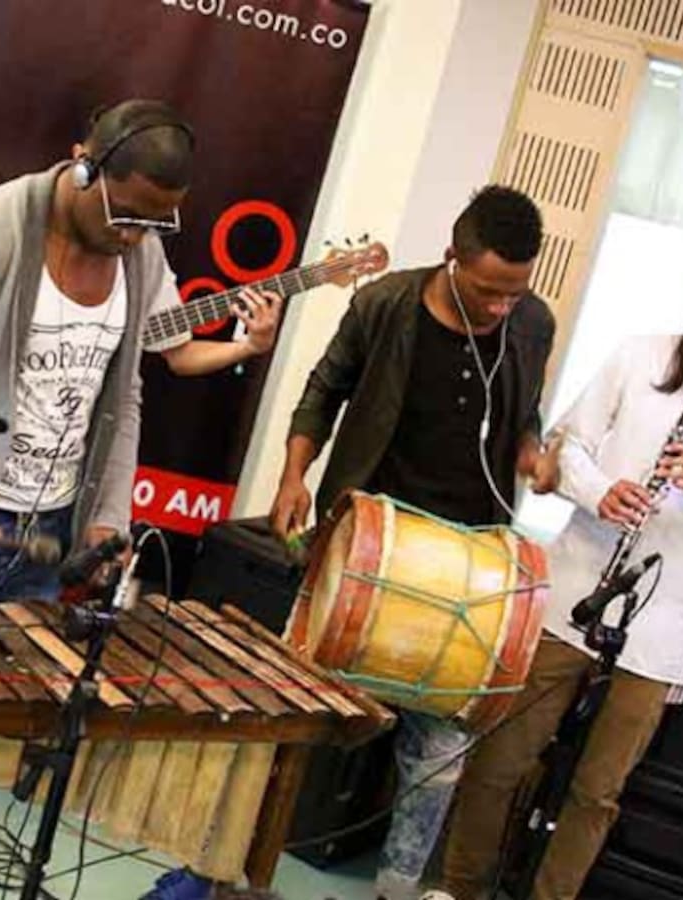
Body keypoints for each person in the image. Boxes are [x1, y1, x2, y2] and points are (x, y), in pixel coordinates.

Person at [0, 98, 282, 900]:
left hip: (44, 540)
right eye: (126, 214)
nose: (135, 235)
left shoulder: (142, 257)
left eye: (158, 223)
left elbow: (124, 402)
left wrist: (110, 515)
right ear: (83, 162)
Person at [434, 239, 683, 900]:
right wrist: (599, 490)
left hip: (664, 623)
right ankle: (463, 889)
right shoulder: (643, 354)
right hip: (576, 586)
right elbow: (569, 444)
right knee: (500, 758)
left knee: (597, 791)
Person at [254, 185, 553, 900]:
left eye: (514, 293)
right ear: (452, 259)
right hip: (366, 540)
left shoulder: (531, 322)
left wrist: (532, 451)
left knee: (440, 746)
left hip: (469, 557)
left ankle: (395, 887)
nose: (499, 307)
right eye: (487, 291)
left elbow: (526, 410)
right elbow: (323, 391)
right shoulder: (385, 303)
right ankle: (242, 863)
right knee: (302, 712)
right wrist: (293, 476)